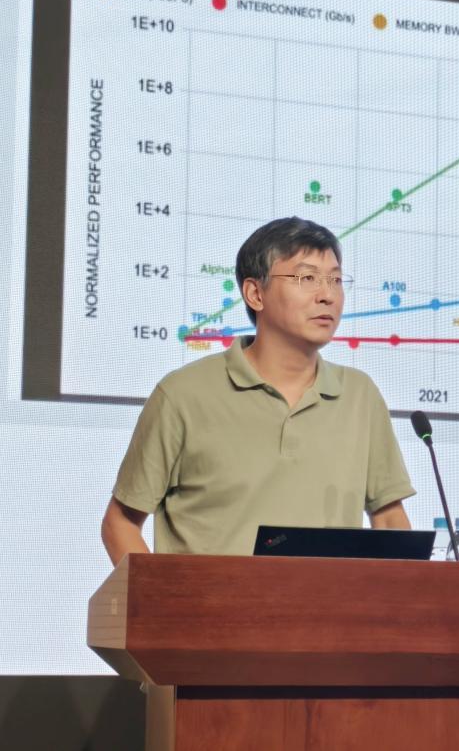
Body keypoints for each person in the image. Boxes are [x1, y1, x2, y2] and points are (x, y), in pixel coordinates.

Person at [100, 217, 415, 564]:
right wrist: (164, 595)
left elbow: (389, 519)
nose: (327, 295)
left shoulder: (360, 396)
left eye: (336, 280)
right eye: (307, 278)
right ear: (255, 293)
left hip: (327, 602)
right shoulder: (183, 394)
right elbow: (120, 523)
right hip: (213, 601)